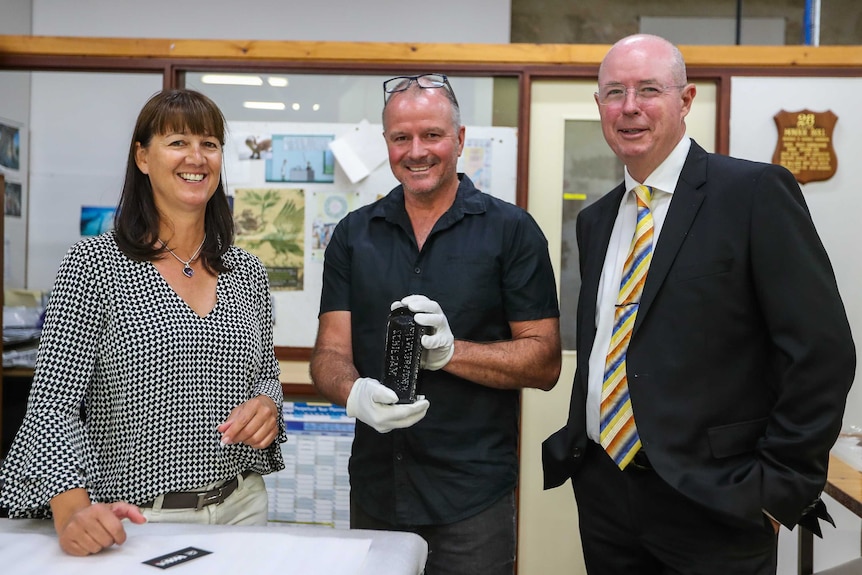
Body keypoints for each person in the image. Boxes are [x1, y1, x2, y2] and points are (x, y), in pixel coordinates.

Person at [542, 34, 856, 574]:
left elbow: (821, 353)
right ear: (599, 107)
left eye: (648, 90)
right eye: (614, 92)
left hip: (716, 503)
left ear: (685, 101)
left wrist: (779, 485)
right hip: (605, 493)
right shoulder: (596, 221)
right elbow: (614, 348)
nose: (630, 107)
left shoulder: (753, 194)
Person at [0, 89, 286, 556]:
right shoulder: (94, 264)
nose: (197, 157)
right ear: (143, 157)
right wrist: (72, 511)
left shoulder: (247, 272)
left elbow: (265, 375)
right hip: (135, 519)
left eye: (209, 143)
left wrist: (267, 406)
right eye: (178, 141)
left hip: (243, 506)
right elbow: (52, 405)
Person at [310, 73, 562, 574]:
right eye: (401, 138)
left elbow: (545, 361)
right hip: (377, 490)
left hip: (472, 501)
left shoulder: (511, 231)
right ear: (387, 144)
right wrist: (353, 393)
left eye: (432, 135)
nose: (416, 151)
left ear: (460, 139)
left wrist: (451, 354)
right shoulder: (354, 236)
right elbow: (328, 355)